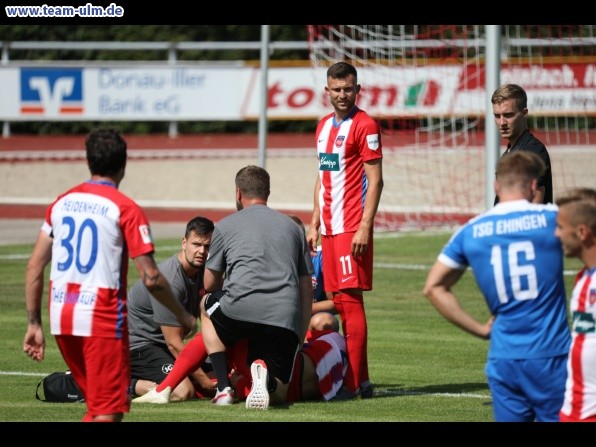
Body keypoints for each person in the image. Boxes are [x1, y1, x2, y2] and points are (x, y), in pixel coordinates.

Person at [22, 127, 196, 422]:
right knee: (108, 412)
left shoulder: (61, 203)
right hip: (100, 318)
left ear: (88, 162)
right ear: (123, 164)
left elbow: (35, 266)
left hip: (62, 318)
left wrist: (34, 323)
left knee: (97, 406)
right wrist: (182, 315)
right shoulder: (125, 209)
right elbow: (151, 277)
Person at [423, 150, 571, 422]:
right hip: (551, 355)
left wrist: (480, 329)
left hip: (503, 358)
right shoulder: (555, 218)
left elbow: (433, 287)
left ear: (496, 185)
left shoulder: (471, 231)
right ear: (533, 186)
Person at [200, 165, 313, 409]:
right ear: (268, 192)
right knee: (280, 397)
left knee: (205, 305)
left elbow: (209, 284)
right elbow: (306, 290)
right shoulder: (294, 228)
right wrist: (299, 334)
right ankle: (268, 380)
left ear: (238, 193)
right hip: (283, 316)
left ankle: (223, 387)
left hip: (239, 310)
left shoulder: (225, 226)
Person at [306, 61, 383, 400]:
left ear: (357, 89)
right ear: (327, 91)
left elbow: (376, 180)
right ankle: (361, 381)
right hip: (329, 231)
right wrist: (314, 221)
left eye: (347, 89)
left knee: (351, 303)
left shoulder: (365, 125)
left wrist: (365, 227)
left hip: (352, 227)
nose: (342, 95)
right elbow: (322, 177)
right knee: (337, 301)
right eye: (336, 89)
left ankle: (352, 383)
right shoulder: (323, 127)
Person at [132, 327, 347, 404]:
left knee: (212, 327)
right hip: (302, 382)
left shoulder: (329, 339)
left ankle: (163, 389)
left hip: (289, 379)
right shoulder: (332, 342)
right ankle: (252, 380)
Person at [128, 216, 215, 401]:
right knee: (183, 391)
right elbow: (174, 344)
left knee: (218, 372)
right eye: (196, 244)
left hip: (162, 347)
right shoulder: (171, 281)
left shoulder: (203, 272)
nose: (201, 251)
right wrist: (204, 380)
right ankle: (127, 383)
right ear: (184, 243)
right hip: (139, 347)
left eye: (207, 246)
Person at [555, 187, 596, 422]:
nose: (556, 234)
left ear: (582, 232)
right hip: (574, 410)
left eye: (561, 228)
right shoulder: (583, 277)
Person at [492, 83, 553, 205]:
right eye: (497, 116)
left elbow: (533, 210)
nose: (502, 122)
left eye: (508, 115)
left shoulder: (533, 151)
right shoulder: (511, 152)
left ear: (524, 113)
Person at [288, 214, 339, 332]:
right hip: (280, 321)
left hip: (310, 320)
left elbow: (337, 303)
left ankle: (315, 348)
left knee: (324, 321)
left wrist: (303, 309)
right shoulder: (268, 259)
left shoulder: (321, 257)